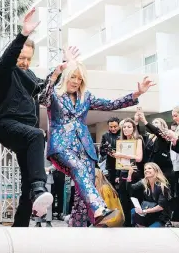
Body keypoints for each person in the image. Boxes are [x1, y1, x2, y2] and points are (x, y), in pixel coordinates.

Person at [40, 55, 155, 227]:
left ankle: (76, 229)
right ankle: (100, 208)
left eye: (80, 79)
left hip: (85, 148)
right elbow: (43, 98)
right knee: (78, 169)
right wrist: (55, 72)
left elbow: (110, 104)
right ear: (66, 76)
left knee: (81, 194)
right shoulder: (55, 94)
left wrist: (136, 94)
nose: (76, 81)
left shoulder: (86, 97)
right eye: (73, 77)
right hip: (61, 145)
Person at [0, 7, 69, 227]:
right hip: (7, 124)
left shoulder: (30, 75)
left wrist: (58, 71)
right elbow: (7, 59)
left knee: (27, 179)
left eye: (28, 59)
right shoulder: (4, 69)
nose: (23, 62)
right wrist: (23, 34)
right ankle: (38, 187)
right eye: (21, 58)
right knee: (37, 135)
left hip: (25, 132)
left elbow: (43, 92)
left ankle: (21, 225)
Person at [126, 163, 171, 227]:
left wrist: (144, 211)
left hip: (160, 217)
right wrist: (129, 175)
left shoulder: (163, 186)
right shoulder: (144, 182)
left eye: (149, 168)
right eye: (145, 169)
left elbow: (160, 207)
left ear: (156, 171)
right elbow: (130, 188)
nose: (146, 170)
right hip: (149, 216)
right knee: (133, 211)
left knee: (149, 233)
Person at [99, 117, 121, 186]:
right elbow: (101, 151)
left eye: (115, 126)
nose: (113, 129)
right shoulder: (105, 136)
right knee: (112, 185)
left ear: (119, 125)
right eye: (111, 127)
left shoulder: (124, 134)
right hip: (111, 165)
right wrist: (108, 152)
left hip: (123, 164)